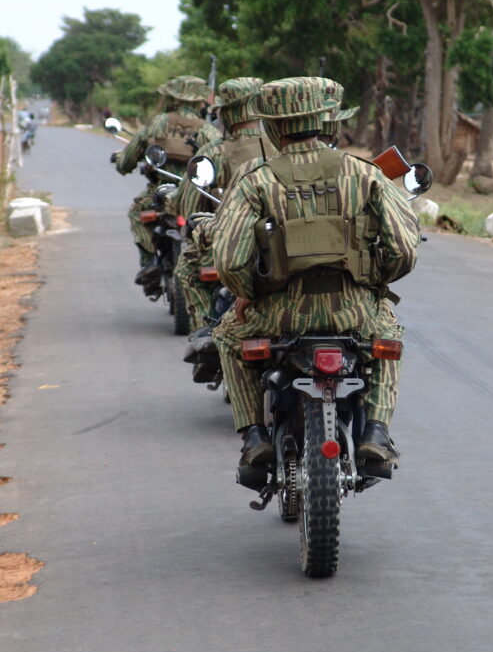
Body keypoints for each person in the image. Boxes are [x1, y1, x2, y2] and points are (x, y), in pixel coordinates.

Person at [211, 77, 420, 474]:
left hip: (278, 315)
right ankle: (375, 432)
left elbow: (230, 262)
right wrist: (373, 283)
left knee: (226, 336)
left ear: (273, 126)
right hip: (355, 313)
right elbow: (404, 250)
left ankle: (255, 437)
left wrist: (250, 293)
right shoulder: (365, 173)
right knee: (389, 337)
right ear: (326, 121)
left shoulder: (255, 179)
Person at [168, 77, 271, 337]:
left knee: (188, 270)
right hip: (283, 245)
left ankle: (208, 335)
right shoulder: (281, 147)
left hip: (230, 246)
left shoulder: (214, 152)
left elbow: (188, 207)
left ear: (227, 113)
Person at [113, 75, 220, 287]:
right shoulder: (209, 130)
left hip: (161, 192)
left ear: (172, 98)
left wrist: (122, 162)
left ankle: (151, 260)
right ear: (200, 101)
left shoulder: (157, 124)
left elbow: (127, 161)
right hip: (198, 195)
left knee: (137, 212)